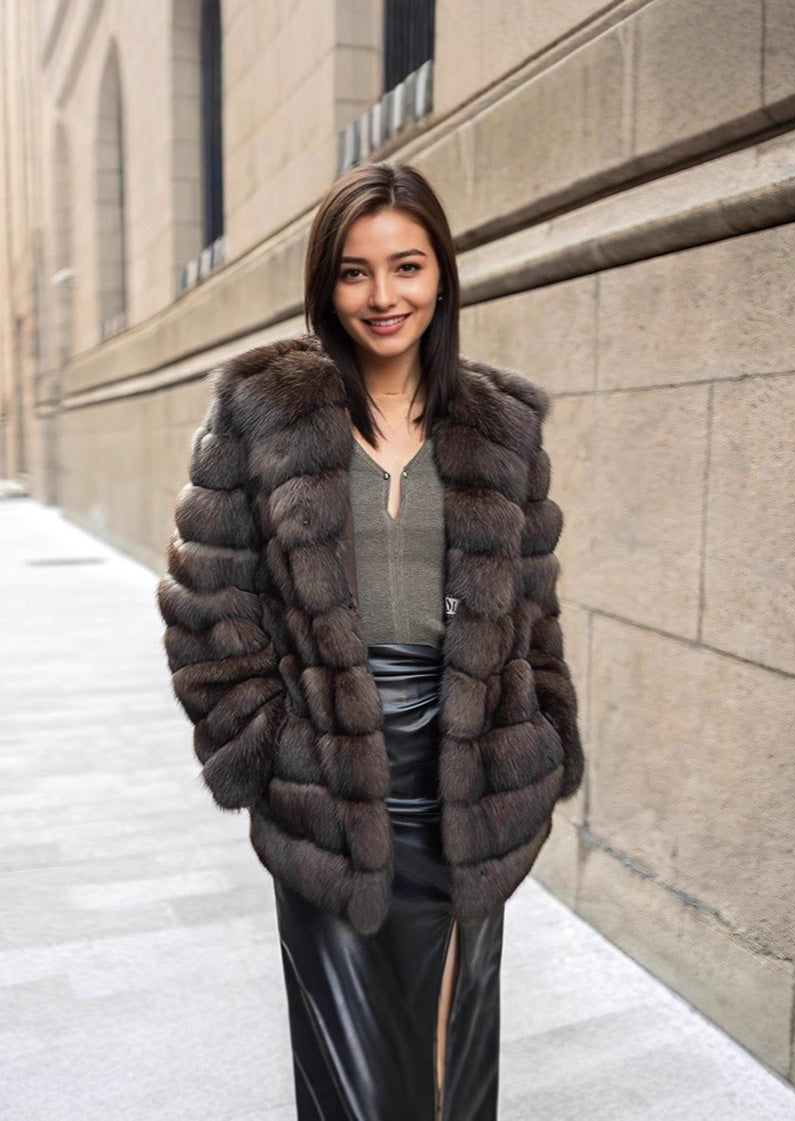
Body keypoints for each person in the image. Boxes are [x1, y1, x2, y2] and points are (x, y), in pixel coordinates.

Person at [157, 160, 584, 1121]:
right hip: (331, 793)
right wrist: (273, 748)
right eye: (355, 271)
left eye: (408, 266)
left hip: (465, 786)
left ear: (442, 275)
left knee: (449, 1077)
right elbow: (203, 608)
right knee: (354, 1086)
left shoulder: (502, 427)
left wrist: (541, 737)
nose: (384, 296)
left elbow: (533, 610)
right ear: (325, 282)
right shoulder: (261, 412)